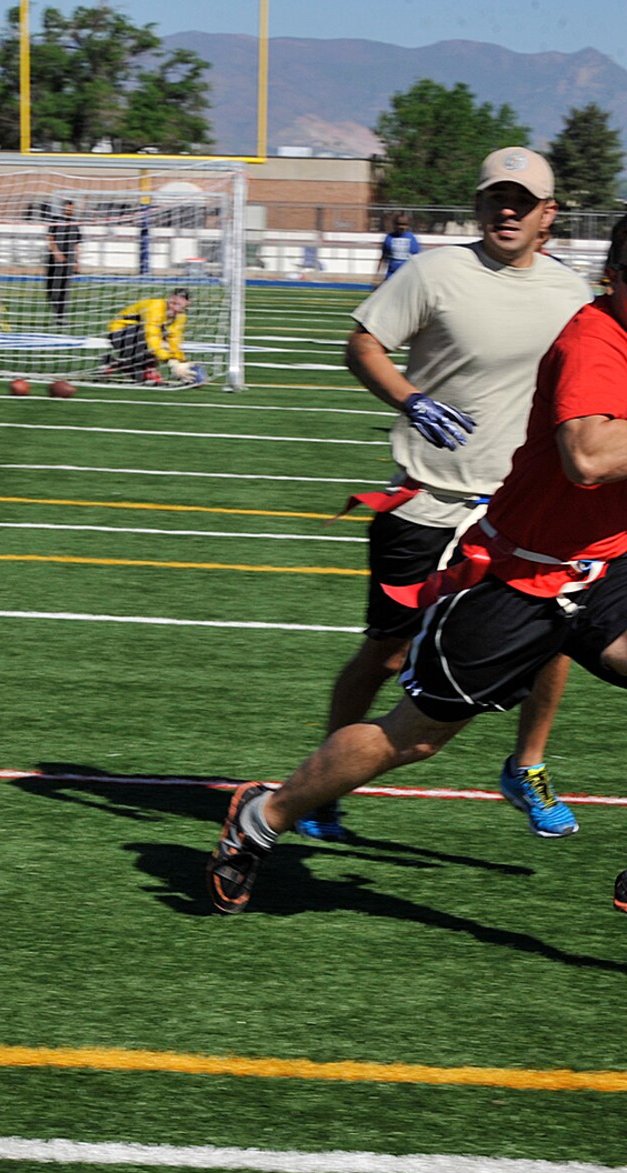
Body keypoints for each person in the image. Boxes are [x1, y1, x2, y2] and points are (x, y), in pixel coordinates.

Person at [208, 213, 627, 915]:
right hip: (515, 578)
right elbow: (587, 457)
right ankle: (264, 814)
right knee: (413, 738)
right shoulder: (596, 341)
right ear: (616, 276)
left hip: (603, 569)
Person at [298, 145, 592, 842]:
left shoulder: (573, 293)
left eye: (523, 200)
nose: (507, 209)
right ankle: (319, 785)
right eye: (497, 196)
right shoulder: (435, 271)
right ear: (479, 202)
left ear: (549, 214)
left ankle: (528, 764)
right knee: (390, 652)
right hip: (427, 503)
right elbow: (363, 344)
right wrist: (412, 397)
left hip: (525, 512)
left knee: (558, 638)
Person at [102, 288, 199, 384]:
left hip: (138, 340)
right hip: (120, 335)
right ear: (170, 299)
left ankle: (114, 364)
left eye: (180, 304)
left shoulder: (180, 316)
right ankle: (149, 368)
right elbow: (151, 336)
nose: (175, 306)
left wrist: (179, 360)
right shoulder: (155, 307)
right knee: (157, 337)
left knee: (141, 377)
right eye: (174, 302)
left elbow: (175, 339)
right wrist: (170, 361)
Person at [45, 200, 81, 324]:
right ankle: (57, 311)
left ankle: (60, 316)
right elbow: (50, 239)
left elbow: (77, 244)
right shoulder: (55, 221)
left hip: (68, 260)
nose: (70, 210)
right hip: (53, 260)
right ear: (63, 208)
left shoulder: (75, 224)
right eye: (68, 208)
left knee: (64, 288)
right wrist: (57, 253)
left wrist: (77, 262)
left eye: (72, 208)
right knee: (51, 288)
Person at [375, 211, 421, 285]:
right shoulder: (389, 238)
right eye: (399, 224)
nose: (401, 227)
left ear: (408, 225)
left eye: (404, 224)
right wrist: (377, 276)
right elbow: (383, 258)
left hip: (407, 275)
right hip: (391, 275)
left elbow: (418, 259)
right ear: (394, 225)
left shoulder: (412, 239)